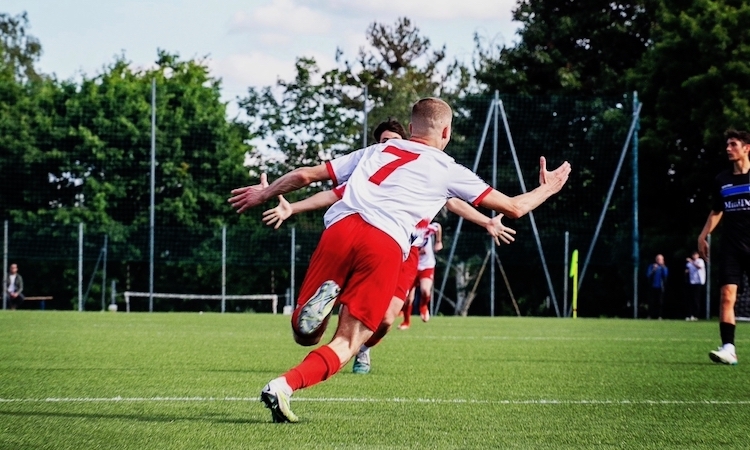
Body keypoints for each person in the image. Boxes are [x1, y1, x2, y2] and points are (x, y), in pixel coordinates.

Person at [229, 97, 571, 422]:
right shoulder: (448, 169)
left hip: (340, 228)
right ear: (447, 133)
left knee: (305, 335)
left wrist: (264, 192)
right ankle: (283, 386)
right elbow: (514, 207)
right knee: (349, 341)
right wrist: (548, 188)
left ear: (410, 127)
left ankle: (323, 301)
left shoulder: (377, 150)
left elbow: (305, 175)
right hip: (384, 243)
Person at [262, 119, 516, 375]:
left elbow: (453, 202)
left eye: (392, 141)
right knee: (356, 320)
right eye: (382, 142)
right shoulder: (373, 170)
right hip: (380, 243)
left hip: (405, 251)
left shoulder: (427, 169)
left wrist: (486, 221)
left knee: (384, 320)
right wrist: (293, 207)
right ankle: (343, 333)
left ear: (407, 139)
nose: (386, 145)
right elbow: (332, 194)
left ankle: (360, 344)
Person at [698, 129, 750, 365]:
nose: (728, 149)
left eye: (733, 144)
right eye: (727, 145)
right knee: (727, 296)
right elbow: (718, 210)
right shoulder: (722, 180)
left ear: (746, 148)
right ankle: (728, 348)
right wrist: (703, 235)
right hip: (731, 248)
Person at [398, 221, 442, 329]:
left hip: (427, 265)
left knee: (425, 290)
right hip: (412, 267)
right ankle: (406, 322)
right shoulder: (406, 230)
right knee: (408, 298)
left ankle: (423, 306)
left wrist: (438, 241)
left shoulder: (425, 228)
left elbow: (438, 226)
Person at [684, 251, 706, 321]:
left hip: (698, 282)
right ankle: (689, 315)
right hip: (691, 282)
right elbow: (687, 270)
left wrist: (691, 262)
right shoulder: (689, 264)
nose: (694, 256)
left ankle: (696, 315)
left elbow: (699, 267)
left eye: (695, 255)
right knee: (690, 299)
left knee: (696, 299)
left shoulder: (700, 261)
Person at [646, 254, 668, 319]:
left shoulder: (663, 268)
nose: (659, 261)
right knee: (651, 302)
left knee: (660, 302)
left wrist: (663, 267)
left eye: (661, 259)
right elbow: (648, 275)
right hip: (652, 286)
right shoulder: (651, 266)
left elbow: (665, 275)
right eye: (658, 259)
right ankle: (650, 315)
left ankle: (659, 315)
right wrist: (653, 269)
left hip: (660, 287)